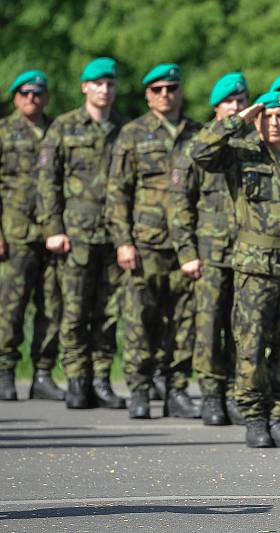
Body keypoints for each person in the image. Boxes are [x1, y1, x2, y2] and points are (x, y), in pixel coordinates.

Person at [191, 91, 280, 448]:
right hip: (255, 269)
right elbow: (200, 151)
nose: (277, 123)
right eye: (270, 117)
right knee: (251, 345)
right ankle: (254, 416)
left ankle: (279, 415)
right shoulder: (242, 156)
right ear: (259, 119)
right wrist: (242, 117)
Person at [107, 63, 202, 419]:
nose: (166, 94)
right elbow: (117, 192)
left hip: (186, 248)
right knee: (140, 320)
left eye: (172, 88)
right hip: (145, 244)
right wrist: (123, 241)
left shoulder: (196, 133)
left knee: (184, 321)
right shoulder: (132, 133)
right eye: (158, 89)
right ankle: (140, 390)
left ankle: (177, 388)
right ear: (147, 94)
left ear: (180, 92)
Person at [37, 57, 126, 409]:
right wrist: (53, 228)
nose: (104, 89)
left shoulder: (123, 129)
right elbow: (48, 182)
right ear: (84, 86)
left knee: (108, 313)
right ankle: (76, 378)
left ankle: (101, 379)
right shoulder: (63, 127)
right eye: (97, 83)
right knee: (73, 311)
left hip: (113, 235)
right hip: (75, 235)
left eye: (110, 83)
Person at [167, 72, 248, 426]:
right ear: (217, 108)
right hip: (210, 253)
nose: (236, 108)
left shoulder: (250, 145)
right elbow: (179, 203)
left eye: (241, 102)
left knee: (238, 326)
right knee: (208, 324)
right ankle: (211, 393)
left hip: (244, 252)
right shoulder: (198, 145)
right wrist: (186, 252)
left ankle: (233, 391)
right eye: (229, 103)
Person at [0, 69, 64, 402]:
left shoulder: (57, 130)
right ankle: (4, 371)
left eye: (37, 93)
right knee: (11, 306)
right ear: (15, 97)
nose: (31, 99)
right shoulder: (4, 131)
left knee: (51, 306)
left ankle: (42, 373)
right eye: (25, 93)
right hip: (16, 233)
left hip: (51, 233)